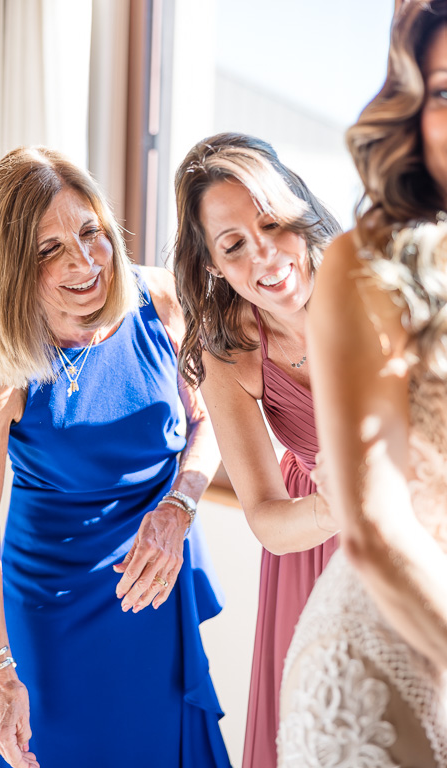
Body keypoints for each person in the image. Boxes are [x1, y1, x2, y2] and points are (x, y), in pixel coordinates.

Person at [0, 146, 231, 768]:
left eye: (90, 232)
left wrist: (179, 508)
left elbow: (207, 422)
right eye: (49, 249)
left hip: (156, 587)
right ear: (13, 266)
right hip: (51, 618)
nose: (84, 261)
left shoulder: (158, 300)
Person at [278, 2, 447, 765]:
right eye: (446, 92)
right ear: (411, 114)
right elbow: (375, 525)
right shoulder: (364, 265)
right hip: (379, 667)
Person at [173, 132, 341, 768]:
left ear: (296, 208)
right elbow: (269, 519)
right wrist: (333, 508)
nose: (265, 255)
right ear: (213, 263)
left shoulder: (378, 285)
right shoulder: (228, 352)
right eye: (234, 244)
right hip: (313, 541)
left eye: (270, 221)